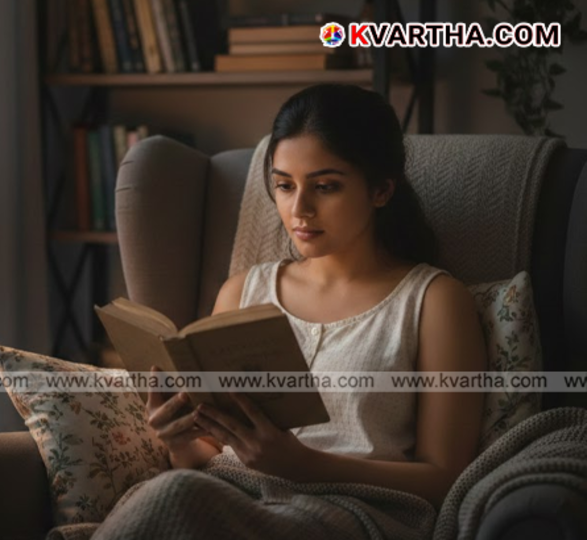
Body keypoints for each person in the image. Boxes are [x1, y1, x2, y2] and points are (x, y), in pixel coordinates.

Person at [144, 84, 487, 514]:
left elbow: (446, 478)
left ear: (381, 190)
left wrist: (305, 466)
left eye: (325, 186)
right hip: (225, 498)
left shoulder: (432, 302)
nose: (299, 209)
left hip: (349, 514)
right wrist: (177, 442)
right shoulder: (242, 292)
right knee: (163, 499)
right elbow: (208, 453)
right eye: (284, 186)